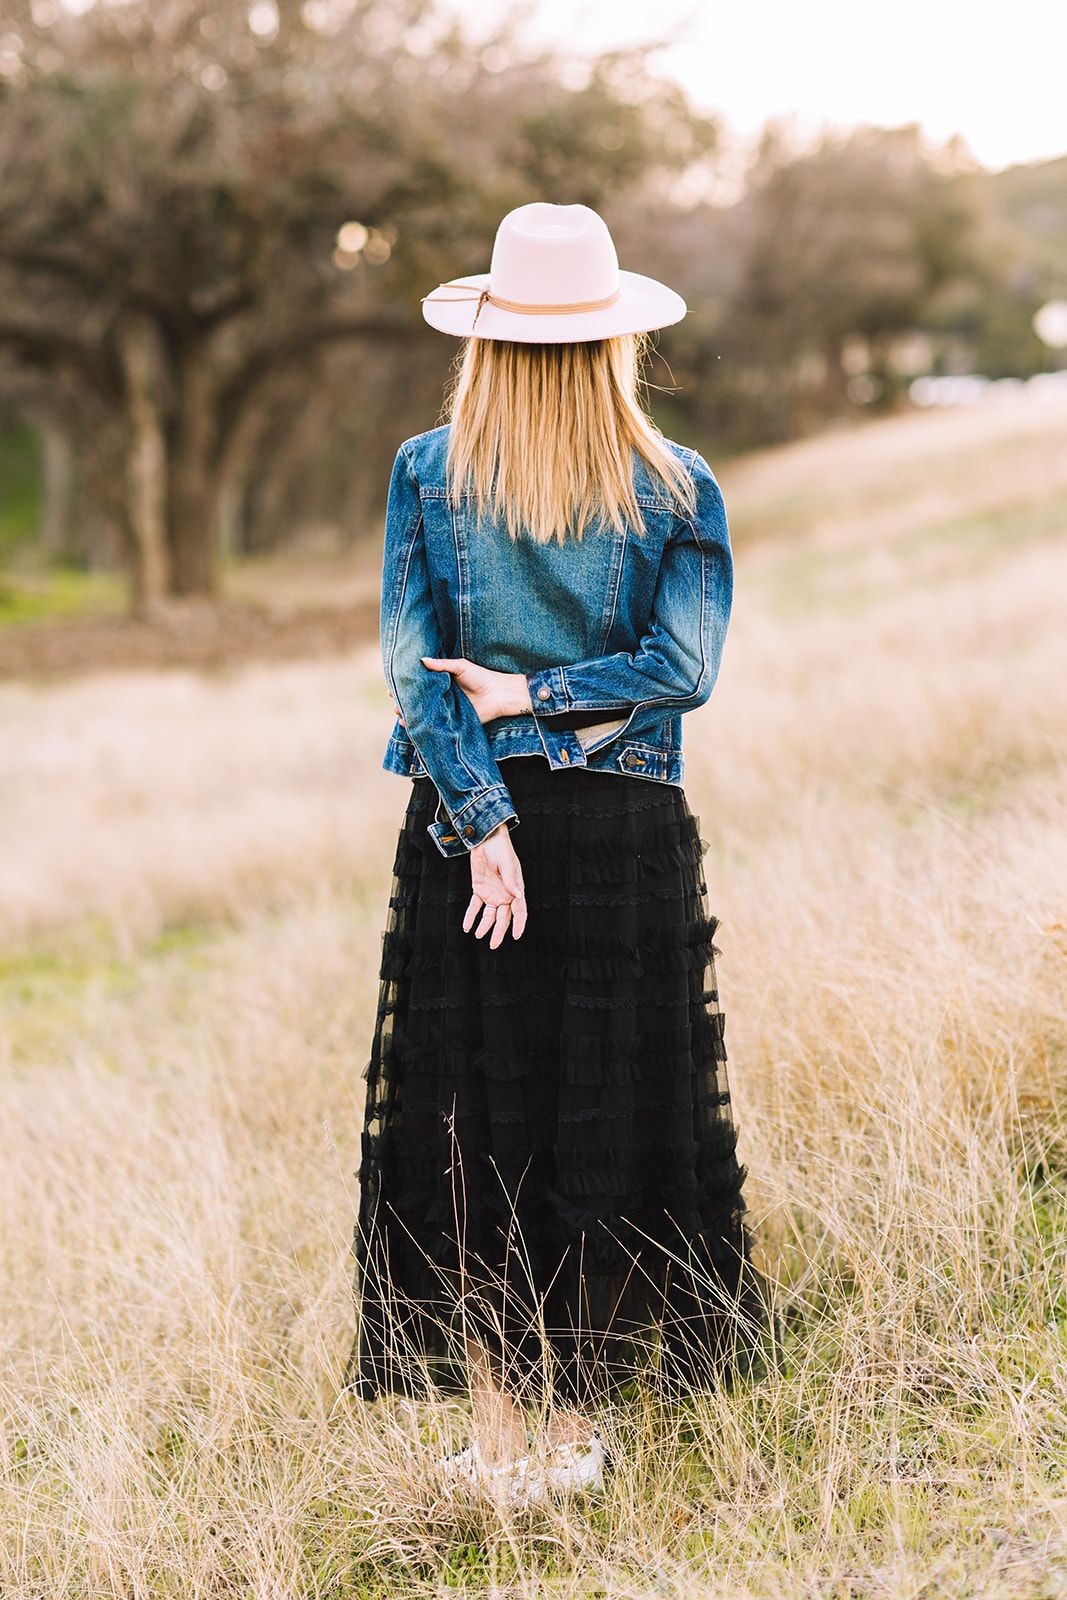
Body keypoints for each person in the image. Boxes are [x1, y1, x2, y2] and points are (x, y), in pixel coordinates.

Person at [341, 201, 770, 1506]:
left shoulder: (426, 469)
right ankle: (575, 1434)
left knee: (476, 1126)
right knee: (599, 1116)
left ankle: (499, 1439)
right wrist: (550, 704)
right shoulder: (676, 481)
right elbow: (682, 675)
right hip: (618, 833)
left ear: (487, 338)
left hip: (475, 839)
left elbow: (421, 684)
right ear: (612, 341)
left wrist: (482, 820)